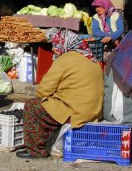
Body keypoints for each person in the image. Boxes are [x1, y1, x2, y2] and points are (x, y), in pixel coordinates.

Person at [16, 29, 104, 159]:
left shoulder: (65, 59)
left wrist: (50, 95)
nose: (53, 49)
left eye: (56, 45)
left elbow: (43, 90)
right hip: (94, 112)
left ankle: (36, 150)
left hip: (75, 113)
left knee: (32, 106)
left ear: (65, 44)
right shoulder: (93, 60)